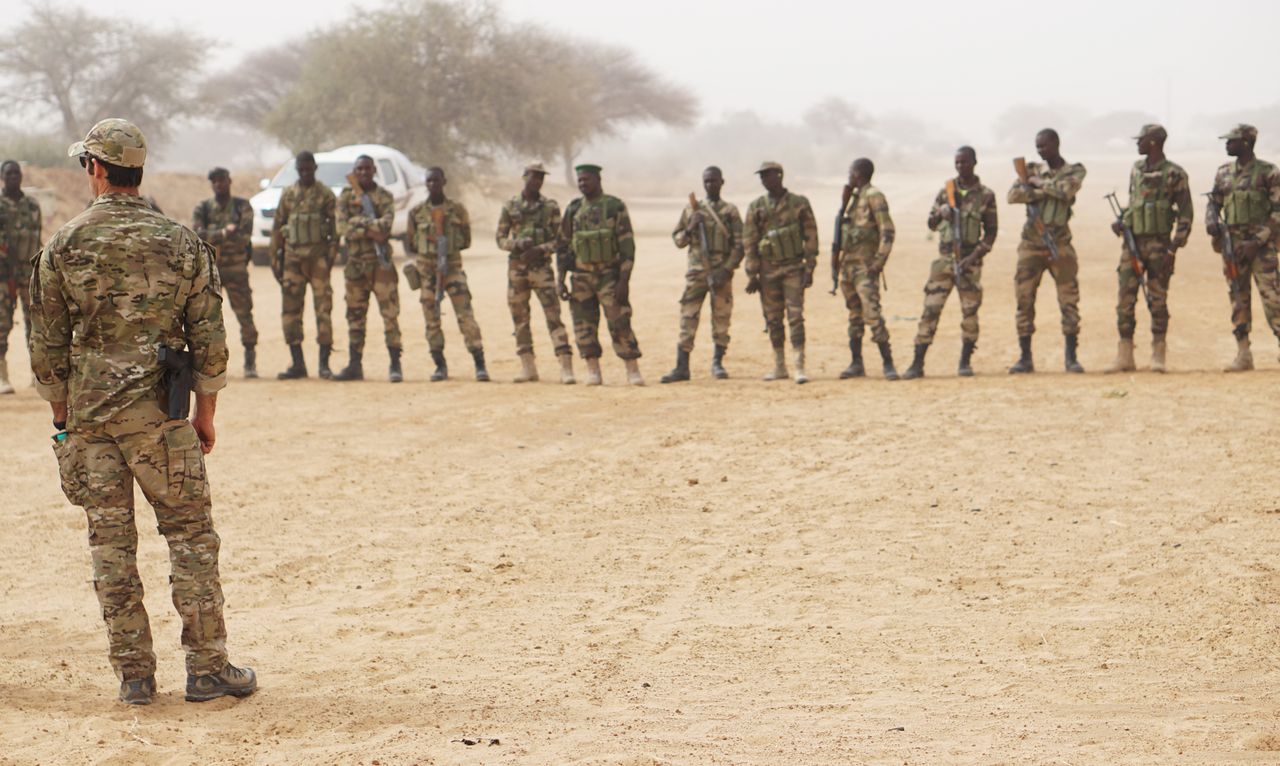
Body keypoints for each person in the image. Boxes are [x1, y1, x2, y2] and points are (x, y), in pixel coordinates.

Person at [29, 118, 256, 705]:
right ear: (137, 170)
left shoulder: (63, 246)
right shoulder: (181, 242)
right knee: (190, 539)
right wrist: (206, 414)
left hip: (90, 422)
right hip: (162, 420)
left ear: (96, 169)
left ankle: (135, 676)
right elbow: (209, 337)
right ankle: (207, 670)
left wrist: (62, 413)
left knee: (110, 548)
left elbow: (46, 346)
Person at [903, 147, 998, 379]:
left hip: (970, 261)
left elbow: (991, 233)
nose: (960, 166)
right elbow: (930, 224)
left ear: (974, 163)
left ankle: (965, 362)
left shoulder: (985, 195)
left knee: (970, 312)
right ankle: (917, 363)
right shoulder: (946, 192)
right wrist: (940, 213)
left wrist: (973, 258)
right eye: (956, 162)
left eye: (964, 162)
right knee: (930, 310)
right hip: (944, 260)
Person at [1104, 125, 1192, 374]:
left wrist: (1174, 249)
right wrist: (1123, 221)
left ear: (1153, 142)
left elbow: (1186, 214)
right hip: (1132, 244)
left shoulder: (1175, 174)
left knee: (1157, 299)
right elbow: (1135, 203)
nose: (1137, 144)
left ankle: (1158, 353)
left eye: (1141, 140)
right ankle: (1125, 354)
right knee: (1125, 299)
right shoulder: (1137, 169)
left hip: (1159, 246)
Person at [1007, 128, 1088, 373]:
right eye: (1038, 147)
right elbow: (1013, 195)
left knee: (1069, 301)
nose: (1040, 151)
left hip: (1060, 243)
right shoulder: (1029, 169)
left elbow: (1067, 191)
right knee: (1024, 300)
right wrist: (1044, 189)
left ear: (1056, 144)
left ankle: (1071, 358)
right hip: (1031, 244)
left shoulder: (1074, 170)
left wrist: (1039, 187)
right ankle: (1025, 357)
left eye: (1044, 146)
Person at [556, 163, 644, 386]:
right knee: (583, 325)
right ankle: (593, 370)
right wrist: (560, 279)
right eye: (580, 180)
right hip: (580, 277)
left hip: (609, 276)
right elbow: (563, 246)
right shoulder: (574, 209)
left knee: (619, 321)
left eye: (587, 179)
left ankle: (632, 369)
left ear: (598, 180)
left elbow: (627, 246)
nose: (583, 184)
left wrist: (624, 280)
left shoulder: (614, 206)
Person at [1206, 124, 1280, 372]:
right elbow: (1214, 202)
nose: (1227, 145)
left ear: (1246, 143)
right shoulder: (1223, 172)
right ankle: (1243, 352)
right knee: (1238, 298)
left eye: (1232, 141)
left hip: (1262, 248)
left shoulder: (1269, 172)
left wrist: (1257, 241)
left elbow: (1277, 213)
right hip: (1233, 246)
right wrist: (1211, 221)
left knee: (1273, 298)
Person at [404, 167, 488, 382]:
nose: (433, 185)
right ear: (426, 183)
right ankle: (439, 365)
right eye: (429, 181)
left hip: (452, 270)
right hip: (427, 273)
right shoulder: (416, 213)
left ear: (444, 181)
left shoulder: (457, 210)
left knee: (466, 317)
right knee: (431, 321)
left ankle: (479, 363)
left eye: (436, 181)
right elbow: (412, 243)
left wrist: (448, 247)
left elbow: (466, 240)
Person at [661, 166, 744, 383]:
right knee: (688, 317)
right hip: (696, 272)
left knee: (721, 318)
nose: (710, 185)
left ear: (722, 182)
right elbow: (678, 240)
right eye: (706, 181)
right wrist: (690, 227)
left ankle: (718, 363)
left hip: (720, 272)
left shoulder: (729, 211)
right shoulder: (691, 210)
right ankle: (682, 366)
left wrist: (726, 270)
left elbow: (740, 244)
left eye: (714, 181)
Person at [495, 163, 574, 383]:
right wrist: (517, 244)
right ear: (524, 177)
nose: (537, 181)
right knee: (520, 319)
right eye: (533, 177)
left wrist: (540, 249)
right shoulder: (510, 206)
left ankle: (565, 366)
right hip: (517, 270)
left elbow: (561, 240)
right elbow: (500, 239)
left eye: (541, 178)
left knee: (553, 317)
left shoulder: (550, 207)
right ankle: (528, 366)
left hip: (542, 270)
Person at [743, 161, 818, 383]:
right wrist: (752, 274)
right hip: (768, 271)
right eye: (762, 177)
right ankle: (779, 365)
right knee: (773, 319)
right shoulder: (756, 206)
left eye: (768, 175)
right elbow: (750, 241)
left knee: (795, 317)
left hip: (794, 267)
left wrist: (810, 266)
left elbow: (811, 235)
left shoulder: (799, 203)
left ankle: (799, 366)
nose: (765, 180)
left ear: (780, 175)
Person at [271, 151, 337, 379]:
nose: (305, 172)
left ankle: (324, 364)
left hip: (318, 260)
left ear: (315, 168)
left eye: (309, 168)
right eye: (301, 169)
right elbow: (278, 227)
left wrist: (329, 259)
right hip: (292, 260)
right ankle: (298, 363)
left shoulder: (325, 195)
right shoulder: (288, 194)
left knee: (324, 311)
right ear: (297, 170)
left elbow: (334, 230)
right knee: (290, 312)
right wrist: (274, 259)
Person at [334, 155, 401, 382]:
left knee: (390, 315)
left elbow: (387, 225)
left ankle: (395, 364)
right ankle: (355, 365)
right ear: (354, 170)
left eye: (367, 168)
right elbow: (343, 227)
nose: (363, 172)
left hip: (381, 265)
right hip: (355, 266)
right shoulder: (345, 196)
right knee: (355, 316)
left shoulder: (385, 196)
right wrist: (370, 230)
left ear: (374, 170)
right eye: (359, 169)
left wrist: (358, 223)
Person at [835, 158, 899, 380]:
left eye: (850, 172)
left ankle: (888, 363)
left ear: (858, 174)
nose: (848, 176)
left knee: (872, 313)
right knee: (854, 315)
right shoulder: (853, 199)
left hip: (864, 267)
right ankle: (856, 363)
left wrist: (878, 263)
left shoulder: (873, 196)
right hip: (849, 267)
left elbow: (887, 231)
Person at [193, 167, 259, 378]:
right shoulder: (203, 207)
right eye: (214, 181)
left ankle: (250, 362)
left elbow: (243, 237)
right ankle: (211, 366)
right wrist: (223, 232)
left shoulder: (241, 207)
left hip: (237, 269)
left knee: (244, 314)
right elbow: (198, 236)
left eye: (222, 180)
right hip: (212, 272)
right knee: (208, 319)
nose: (218, 184)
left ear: (229, 181)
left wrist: (213, 236)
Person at [0, 159, 41, 394]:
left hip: (28, 275)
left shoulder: (33, 206)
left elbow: (37, 241)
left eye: (17, 173)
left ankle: (36, 374)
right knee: (2, 325)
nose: (14, 176)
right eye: (9, 173)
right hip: (3, 276)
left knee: (35, 326)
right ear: (2, 177)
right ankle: (2, 375)